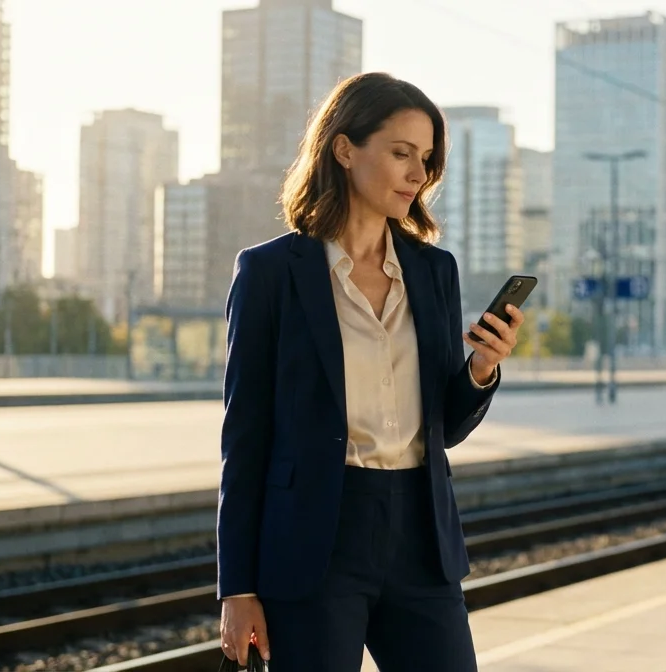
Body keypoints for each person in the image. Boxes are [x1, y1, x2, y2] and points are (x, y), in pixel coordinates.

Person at [215, 72, 521, 672]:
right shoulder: (271, 274)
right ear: (345, 148)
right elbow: (244, 436)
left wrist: (482, 369)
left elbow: (445, 428)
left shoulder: (435, 272)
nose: (418, 173)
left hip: (420, 536)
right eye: (401, 153)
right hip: (314, 542)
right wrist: (237, 587)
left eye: (426, 159)